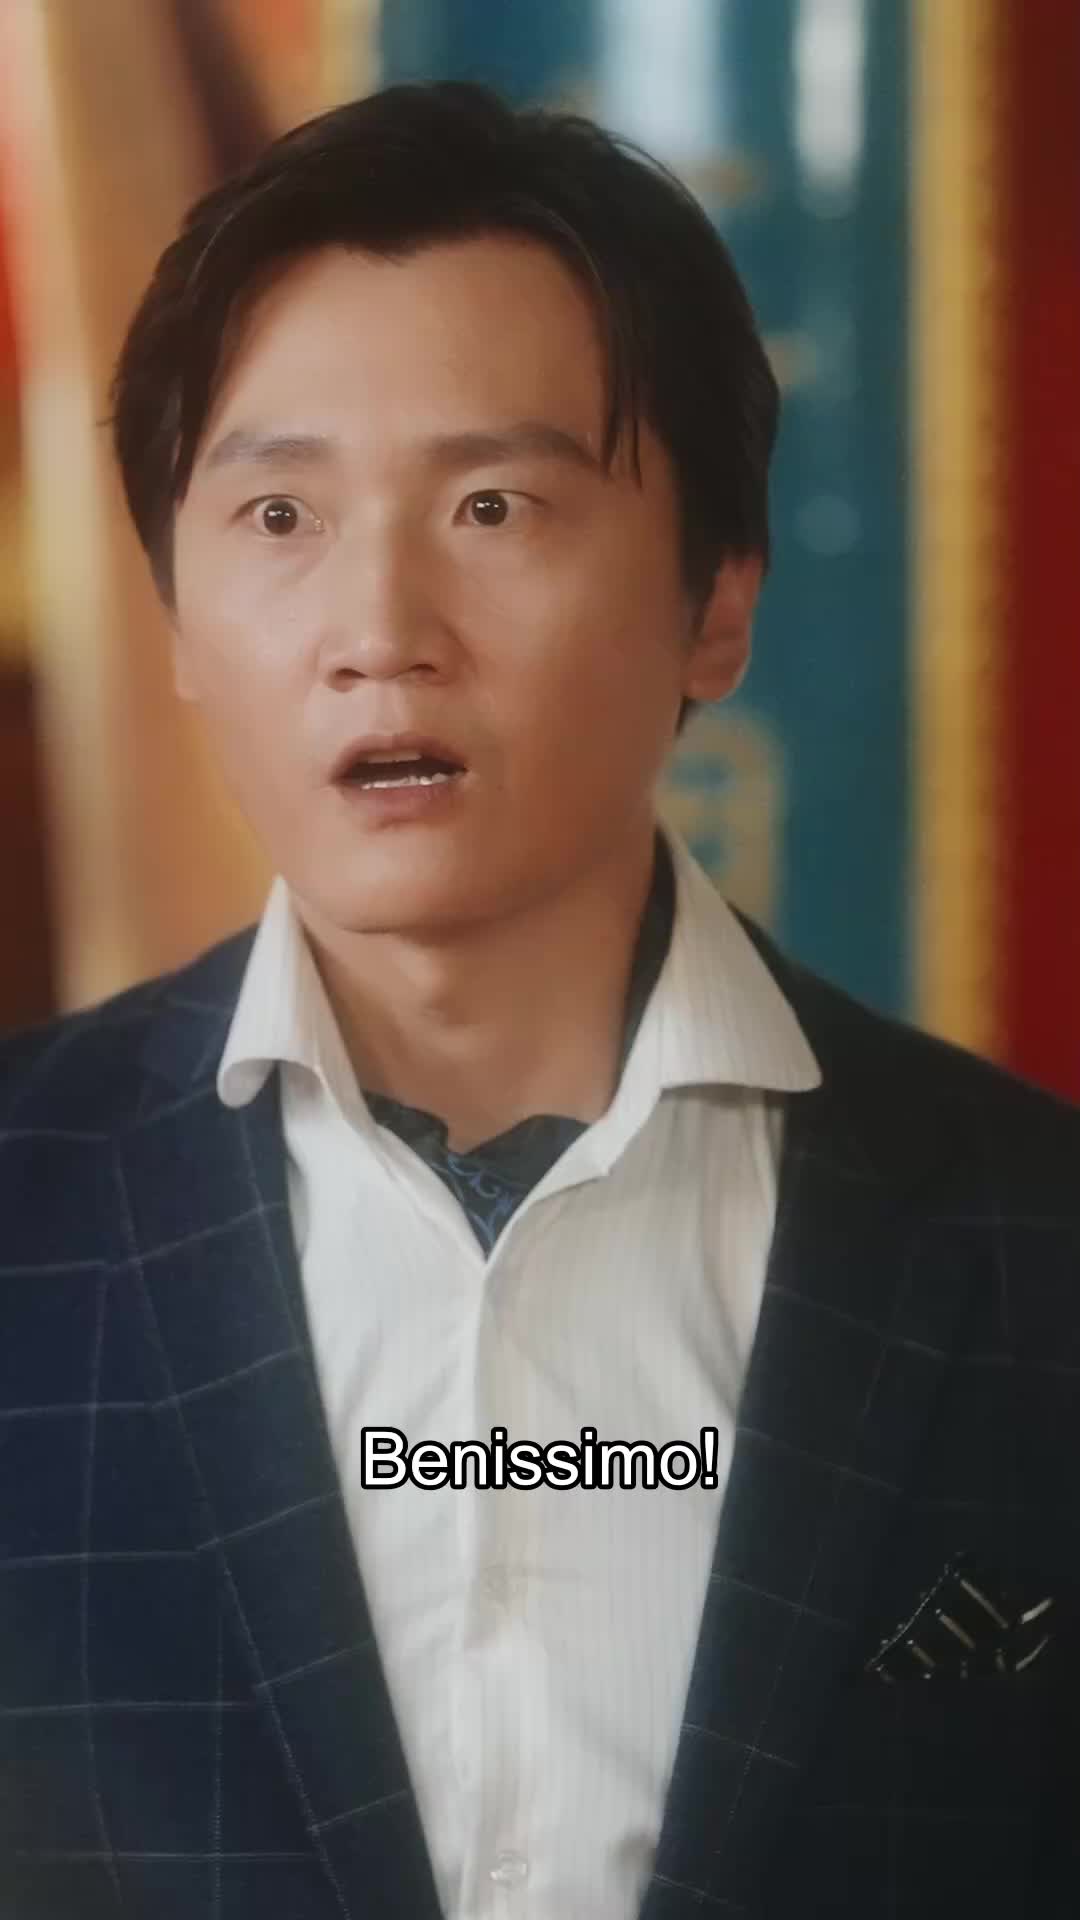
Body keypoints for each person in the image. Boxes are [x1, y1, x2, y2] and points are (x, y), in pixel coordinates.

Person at [1, 80, 1077, 1920]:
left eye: (492, 504)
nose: (380, 630)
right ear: (174, 615)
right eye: (279, 514)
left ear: (716, 600)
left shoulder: (1032, 1244)